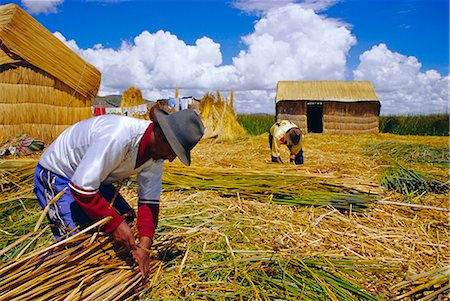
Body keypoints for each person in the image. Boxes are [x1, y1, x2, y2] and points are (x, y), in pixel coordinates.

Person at [33, 109, 204, 277]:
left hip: (96, 178)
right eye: (173, 151)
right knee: (76, 247)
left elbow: (149, 202)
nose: (172, 158)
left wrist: (145, 245)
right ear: (160, 136)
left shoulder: (156, 154)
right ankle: (39, 272)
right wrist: (115, 225)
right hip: (59, 174)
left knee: (128, 222)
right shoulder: (118, 137)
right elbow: (81, 189)